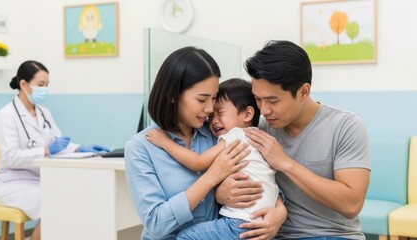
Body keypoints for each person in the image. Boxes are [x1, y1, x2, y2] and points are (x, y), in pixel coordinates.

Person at [216, 40, 371, 240]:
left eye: (273, 100)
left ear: (303, 92)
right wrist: (220, 193)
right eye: (258, 99)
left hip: (333, 235)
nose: (263, 110)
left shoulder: (346, 126)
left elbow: (351, 205)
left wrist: (285, 163)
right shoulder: (257, 131)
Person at [124, 47, 252, 240]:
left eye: (214, 98)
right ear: (173, 95)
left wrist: (278, 210)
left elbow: (259, 172)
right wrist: (211, 178)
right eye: (201, 99)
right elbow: (156, 225)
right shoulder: (140, 147)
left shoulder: (218, 135)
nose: (210, 109)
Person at [146, 78, 286, 240]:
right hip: (258, 222)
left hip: (239, 223)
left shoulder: (235, 135)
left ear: (247, 114)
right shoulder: (260, 138)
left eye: (220, 113)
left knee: (185, 237)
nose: (213, 121)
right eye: (211, 116)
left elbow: (198, 162)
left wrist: (165, 142)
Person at [0, 60, 110, 240]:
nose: (45, 89)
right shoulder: (5, 116)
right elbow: (10, 158)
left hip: (38, 179)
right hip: (11, 183)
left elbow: (58, 143)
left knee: (72, 194)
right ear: (23, 84)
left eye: (47, 85)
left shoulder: (44, 112)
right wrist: (46, 151)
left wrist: (79, 148)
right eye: (41, 85)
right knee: (54, 200)